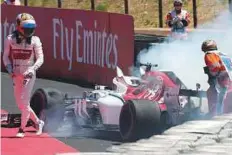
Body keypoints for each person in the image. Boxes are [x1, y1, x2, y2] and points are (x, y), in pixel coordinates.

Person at [3, 13, 44, 138]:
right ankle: (38, 122)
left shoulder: (36, 40)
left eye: (31, 28)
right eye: (26, 28)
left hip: (29, 73)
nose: (29, 31)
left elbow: (41, 58)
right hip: (16, 74)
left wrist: (32, 69)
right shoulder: (10, 39)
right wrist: (10, 69)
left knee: (25, 102)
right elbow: (5, 56)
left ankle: (21, 129)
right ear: (19, 27)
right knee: (20, 104)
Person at [201, 40, 230, 116]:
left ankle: (215, 113)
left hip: (221, 79)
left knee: (212, 93)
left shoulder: (209, 55)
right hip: (228, 79)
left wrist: (214, 75)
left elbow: (215, 67)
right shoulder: (222, 54)